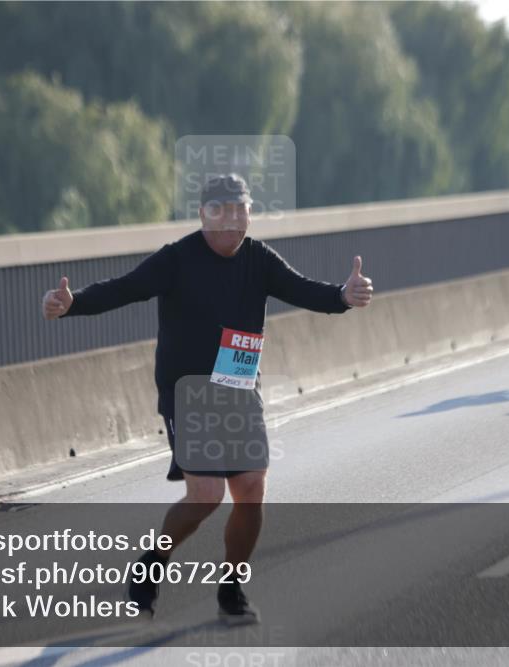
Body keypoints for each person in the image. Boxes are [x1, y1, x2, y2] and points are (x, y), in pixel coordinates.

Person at [42, 173, 373, 624]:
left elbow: (304, 289)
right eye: (225, 211)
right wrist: (72, 303)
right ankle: (152, 562)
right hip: (188, 393)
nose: (236, 221)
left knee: (252, 490)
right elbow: (125, 288)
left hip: (238, 389)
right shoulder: (177, 259)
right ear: (204, 215)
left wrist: (343, 295)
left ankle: (232, 587)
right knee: (206, 494)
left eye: (243, 210)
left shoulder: (259, 259)